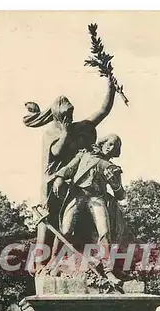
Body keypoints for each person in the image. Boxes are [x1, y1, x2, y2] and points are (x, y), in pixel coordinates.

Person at [23, 77, 116, 270]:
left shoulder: (78, 128)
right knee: (48, 221)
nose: (70, 117)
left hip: (72, 182)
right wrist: (65, 132)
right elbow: (56, 152)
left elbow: (103, 111)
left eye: (71, 113)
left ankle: (75, 259)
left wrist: (111, 87)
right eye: (66, 114)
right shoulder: (51, 133)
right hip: (52, 183)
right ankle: (40, 262)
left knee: (73, 223)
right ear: (58, 115)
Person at [50, 134, 125, 285]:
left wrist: (114, 183)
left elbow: (121, 194)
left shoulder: (112, 168)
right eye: (109, 144)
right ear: (103, 143)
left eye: (114, 146)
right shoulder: (84, 155)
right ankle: (53, 261)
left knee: (104, 232)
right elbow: (69, 168)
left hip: (97, 198)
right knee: (65, 230)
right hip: (77, 195)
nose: (111, 148)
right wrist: (59, 178)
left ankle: (108, 271)